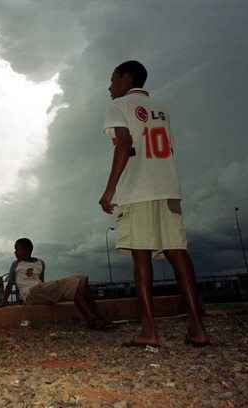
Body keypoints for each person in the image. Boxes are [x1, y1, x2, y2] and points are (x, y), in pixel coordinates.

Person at [100, 60, 209, 347]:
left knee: (141, 258)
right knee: (178, 254)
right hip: (168, 188)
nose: (109, 86)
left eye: (112, 79)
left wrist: (109, 189)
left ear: (126, 78)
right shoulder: (163, 108)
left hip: (138, 189)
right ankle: (197, 328)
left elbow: (123, 145)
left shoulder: (120, 105)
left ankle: (149, 331)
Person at [1, 238, 108, 329]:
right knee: (75, 283)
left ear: (27, 250)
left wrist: (48, 296)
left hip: (41, 291)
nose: (15, 252)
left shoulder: (40, 263)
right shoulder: (16, 264)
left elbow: (41, 281)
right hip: (30, 294)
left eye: (17, 249)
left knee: (81, 280)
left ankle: (98, 317)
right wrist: (4, 302)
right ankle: (92, 320)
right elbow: (10, 284)